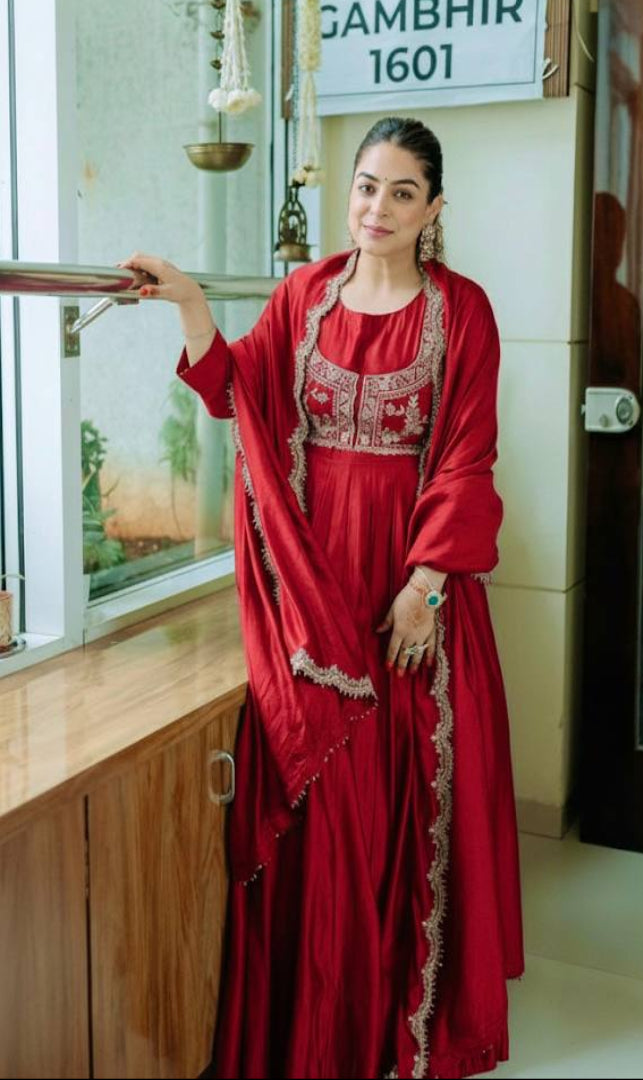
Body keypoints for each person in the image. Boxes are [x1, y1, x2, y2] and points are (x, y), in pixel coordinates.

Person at [119, 115, 524, 1080]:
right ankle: (325, 1017)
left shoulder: (463, 311)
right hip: (311, 585)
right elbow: (240, 396)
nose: (377, 208)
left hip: (410, 587)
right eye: (366, 186)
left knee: (404, 797)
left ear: (433, 208)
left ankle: (396, 1019)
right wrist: (190, 305)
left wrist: (426, 586)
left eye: (402, 193)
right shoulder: (304, 295)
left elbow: (468, 457)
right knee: (329, 802)